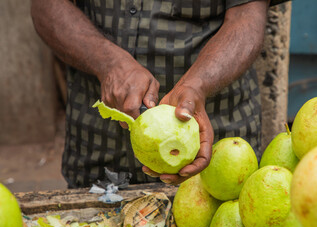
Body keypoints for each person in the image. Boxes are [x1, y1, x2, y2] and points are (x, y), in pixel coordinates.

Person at [31, 0, 287, 188]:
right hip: (97, 148)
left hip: (216, 150)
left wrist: (197, 85)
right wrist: (106, 62)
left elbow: (247, 17)